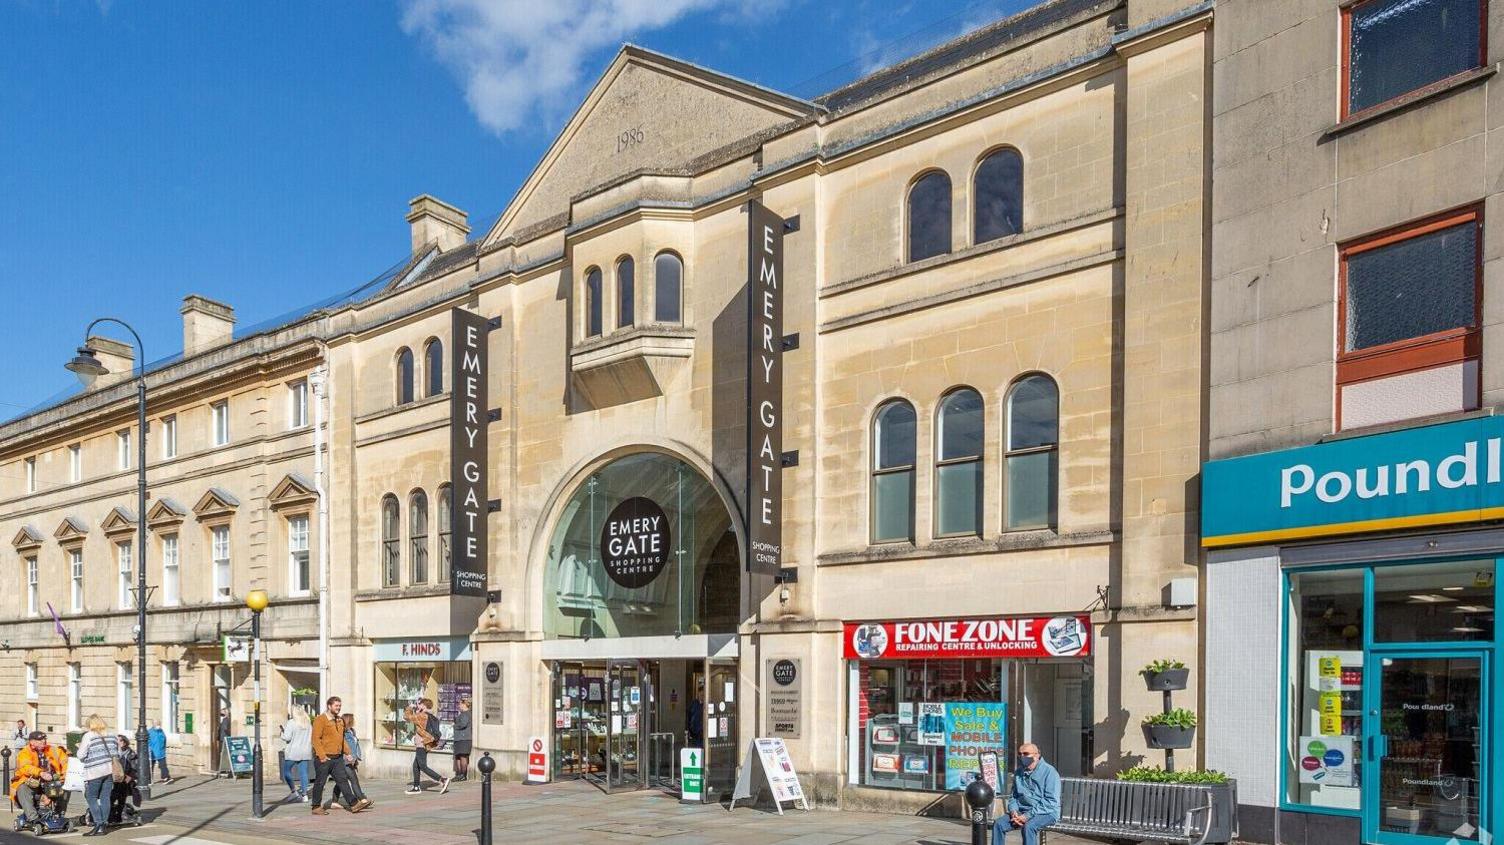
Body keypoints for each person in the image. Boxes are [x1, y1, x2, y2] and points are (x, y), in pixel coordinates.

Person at [991, 743, 1061, 845]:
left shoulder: (1050, 772)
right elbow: (1014, 795)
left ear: (1036, 755)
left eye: (1026, 753)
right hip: (1021, 811)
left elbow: (1051, 801)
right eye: (1020, 754)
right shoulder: (1019, 771)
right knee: (999, 824)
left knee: (1029, 827)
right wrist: (1013, 810)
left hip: (1046, 812)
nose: (1022, 756)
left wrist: (1027, 816)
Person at [308, 697, 368, 815]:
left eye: (339, 706)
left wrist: (348, 753)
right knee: (320, 782)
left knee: (343, 781)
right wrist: (321, 755)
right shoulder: (320, 720)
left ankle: (354, 804)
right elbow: (315, 739)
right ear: (329, 706)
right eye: (336, 706)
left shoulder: (340, 721)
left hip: (337, 758)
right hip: (324, 758)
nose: (338, 708)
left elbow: (341, 740)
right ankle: (316, 806)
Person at [9, 731, 68, 829]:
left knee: (65, 787)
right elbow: (26, 767)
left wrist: (64, 777)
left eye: (44, 739)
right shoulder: (25, 752)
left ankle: (58, 815)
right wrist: (40, 773)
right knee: (22, 788)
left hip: (51, 783)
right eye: (40, 740)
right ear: (32, 742)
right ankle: (34, 819)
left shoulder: (53, 750)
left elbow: (66, 762)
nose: (43, 741)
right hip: (32, 782)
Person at [77, 715, 121, 837]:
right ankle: (103, 825)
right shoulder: (112, 735)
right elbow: (119, 753)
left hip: (94, 771)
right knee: (105, 797)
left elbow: (80, 755)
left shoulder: (89, 736)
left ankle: (98, 823)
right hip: (109, 771)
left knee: (91, 797)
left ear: (90, 724)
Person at [404, 698, 450, 794]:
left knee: (422, 766)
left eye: (419, 704)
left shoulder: (422, 716)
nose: (418, 705)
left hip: (422, 743)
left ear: (424, 706)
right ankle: (416, 787)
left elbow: (406, 717)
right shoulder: (429, 715)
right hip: (425, 742)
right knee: (415, 766)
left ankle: (442, 780)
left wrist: (410, 707)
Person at [333, 713, 372, 808]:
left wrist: (356, 758)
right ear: (349, 721)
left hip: (352, 759)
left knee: (341, 781)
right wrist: (348, 756)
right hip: (345, 760)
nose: (355, 721)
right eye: (353, 719)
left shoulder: (352, 731)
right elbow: (342, 746)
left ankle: (334, 801)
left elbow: (355, 745)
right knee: (353, 779)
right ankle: (362, 799)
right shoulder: (342, 732)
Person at [279, 707, 313, 802]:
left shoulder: (292, 722)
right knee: (303, 773)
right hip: (305, 750)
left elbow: (287, 737)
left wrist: (282, 733)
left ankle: (293, 791)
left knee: (286, 771)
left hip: (293, 751)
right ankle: (304, 795)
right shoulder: (308, 723)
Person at [108, 735, 140, 824]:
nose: (118, 743)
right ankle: (111, 816)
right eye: (116, 741)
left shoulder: (131, 754)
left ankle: (119, 816)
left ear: (124, 742)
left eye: (120, 741)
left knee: (122, 798)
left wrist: (130, 777)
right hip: (115, 779)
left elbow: (135, 769)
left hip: (125, 780)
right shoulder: (113, 753)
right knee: (111, 798)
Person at [451, 698, 472, 781]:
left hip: (464, 738)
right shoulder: (464, 714)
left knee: (463, 756)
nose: (459, 705)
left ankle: (463, 775)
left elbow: (463, 724)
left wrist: (454, 725)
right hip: (460, 738)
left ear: (464, 704)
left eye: (460, 704)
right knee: (458, 756)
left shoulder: (466, 714)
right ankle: (459, 774)